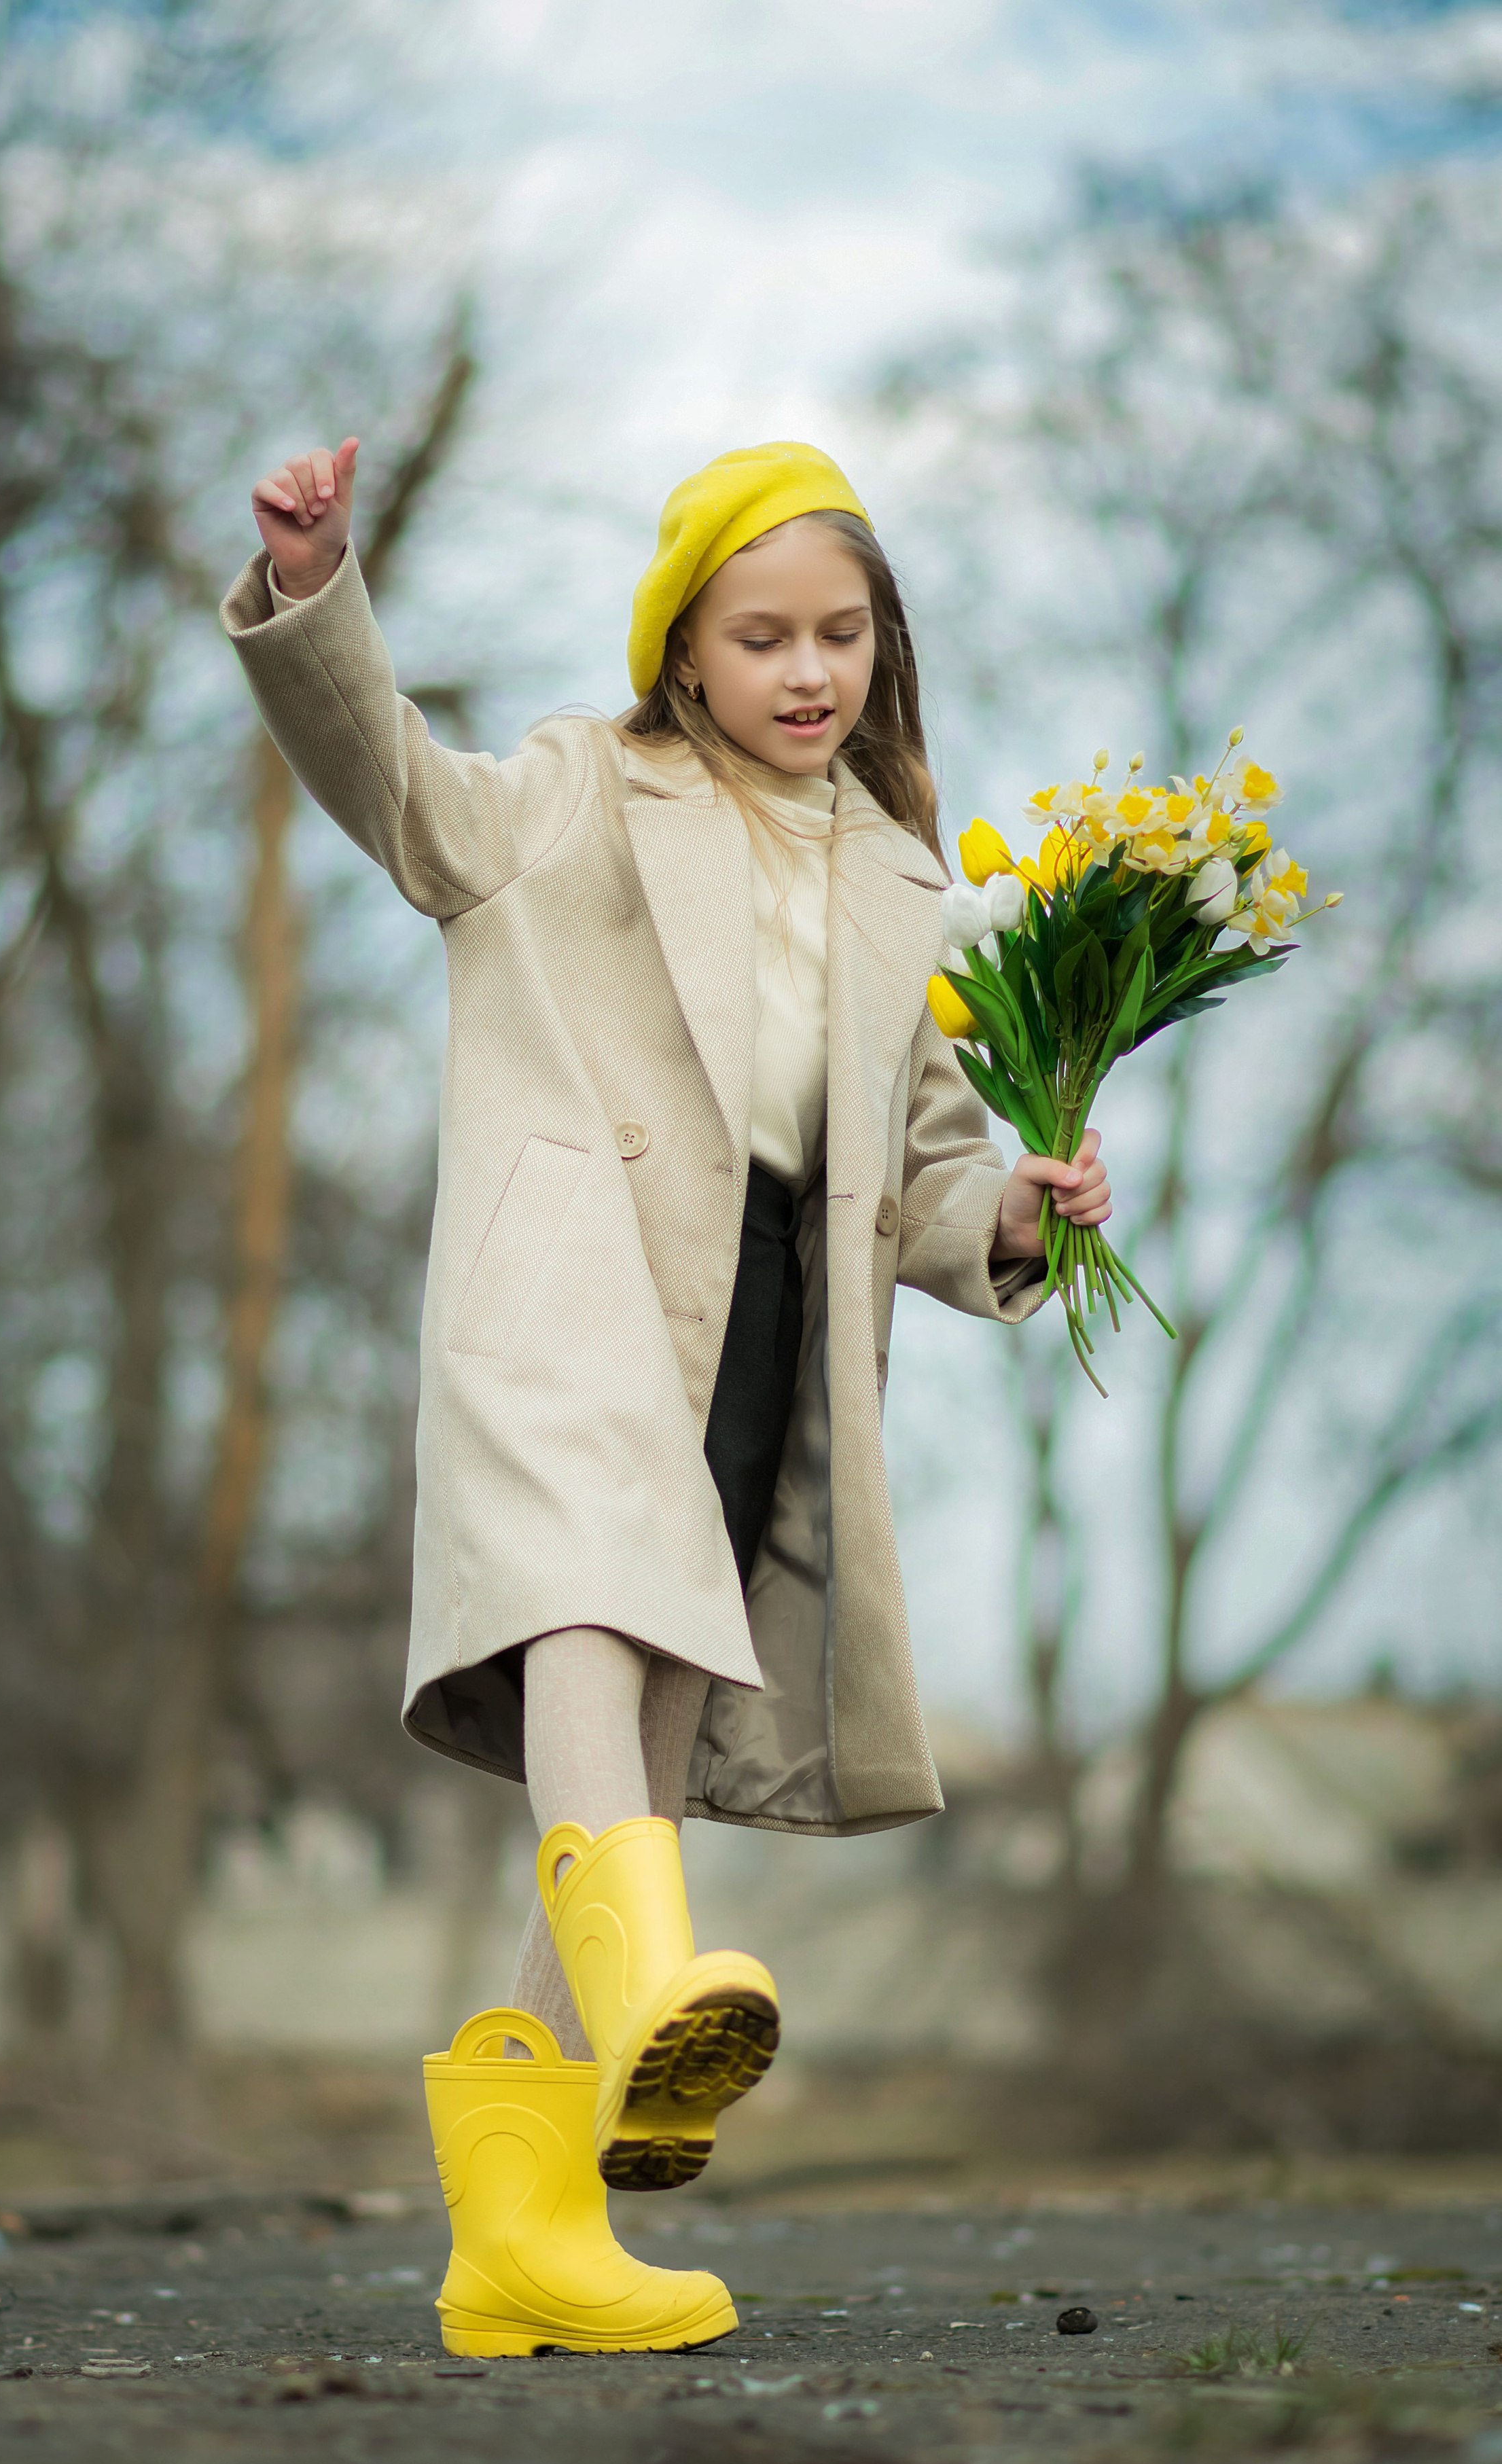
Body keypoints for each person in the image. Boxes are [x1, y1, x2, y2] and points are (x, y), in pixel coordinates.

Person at [222, 438, 1111, 2357]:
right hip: (579, 1280)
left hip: (767, 1331)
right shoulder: (576, 790)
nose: (807, 673)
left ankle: (521, 2241)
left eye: (841, 635)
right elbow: (402, 801)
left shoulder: (899, 883)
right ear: (684, 654)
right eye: (762, 636)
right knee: (587, 1611)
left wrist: (1021, 1206)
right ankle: (645, 1993)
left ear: (883, 647)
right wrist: (317, 593)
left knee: (655, 1710)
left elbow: (930, 1161)